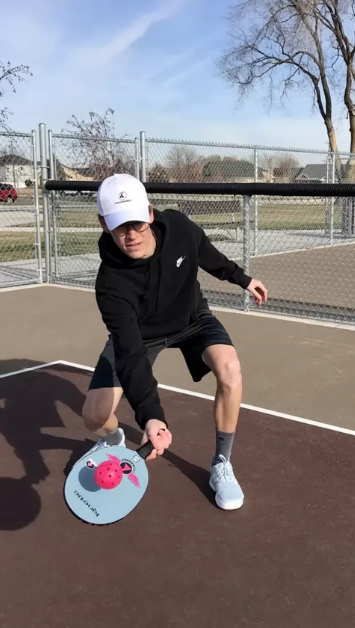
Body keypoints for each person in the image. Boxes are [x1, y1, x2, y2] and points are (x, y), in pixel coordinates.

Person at [77, 173, 269, 511]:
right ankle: (114, 439)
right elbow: (130, 354)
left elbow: (205, 252)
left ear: (150, 214)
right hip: (141, 335)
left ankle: (221, 464)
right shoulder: (110, 285)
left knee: (230, 370)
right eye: (120, 226)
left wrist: (242, 278)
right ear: (104, 224)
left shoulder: (178, 227)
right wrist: (151, 416)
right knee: (94, 416)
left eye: (137, 222)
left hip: (191, 319)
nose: (131, 234)